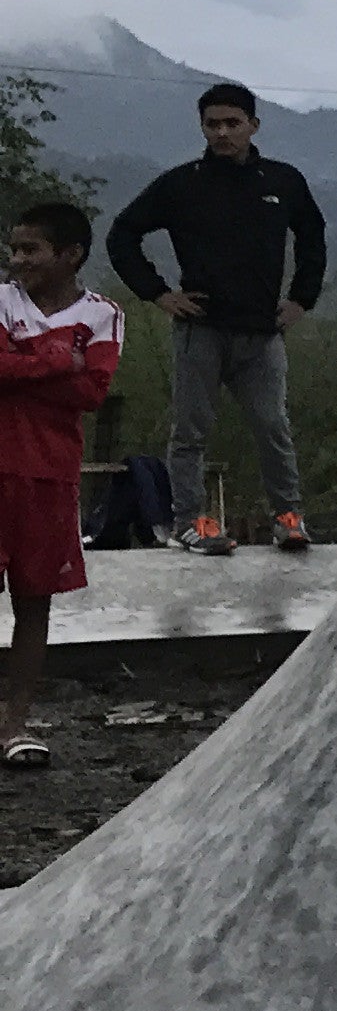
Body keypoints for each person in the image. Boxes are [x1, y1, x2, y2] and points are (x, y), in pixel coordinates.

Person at [107, 80, 326, 556]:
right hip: (200, 329)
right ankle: (190, 521)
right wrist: (160, 294)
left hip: (262, 333)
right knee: (190, 431)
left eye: (233, 123)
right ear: (202, 127)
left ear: (253, 125)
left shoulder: (282, 181)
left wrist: (301, 299)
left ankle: (288, 516)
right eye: (213, 124)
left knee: (273, 427)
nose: (223, 133)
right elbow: (122, 234)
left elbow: (312, 236)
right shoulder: (182, 184)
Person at [0, 203, 122, 771]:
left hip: (49, 474)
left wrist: (23, 366)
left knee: (33, 600)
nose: (18, 260)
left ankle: (15, 726)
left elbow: (92, 393)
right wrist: (55, 361)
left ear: (69, 254)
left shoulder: (102, 316)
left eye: (31, 250)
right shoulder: (2, 300)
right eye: (15, 249)